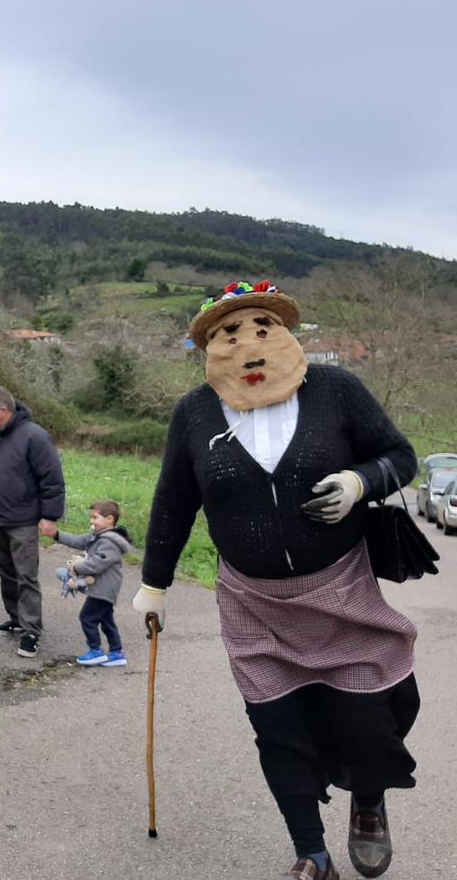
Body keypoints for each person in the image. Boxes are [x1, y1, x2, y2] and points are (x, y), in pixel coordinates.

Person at [131, 282, 419, 880]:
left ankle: (368, 800)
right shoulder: (195, 413)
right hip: (253, 602)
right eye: (227, 334)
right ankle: (311, 854)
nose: (247, 344)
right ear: (208, 347)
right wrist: (155, 583)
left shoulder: (336, 391)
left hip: (341, 591)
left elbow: (400, 454)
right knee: (277, 727)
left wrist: (362, 482)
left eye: (261, 328)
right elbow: (174, 501)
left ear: (285, 334)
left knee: (373, 717)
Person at [0, 385, 66, 658]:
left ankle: (32, 630)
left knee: (26, 576)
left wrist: (50, 516)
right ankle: (16, 619)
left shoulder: (34, 437)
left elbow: (52, 479)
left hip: (22, 520)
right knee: (6, 572)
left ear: (3, 410)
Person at [47, 500, 132, 667]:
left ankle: (96, 650)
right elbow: (78, 541)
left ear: (109, 519)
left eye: (95, 517)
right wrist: (56, 534)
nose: (92, 521)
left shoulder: (109, 542)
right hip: (101, 588)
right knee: (106, 619)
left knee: (87, 617)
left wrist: (76, 568)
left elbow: (97, 564)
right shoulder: (97, 536)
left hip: (104, 588)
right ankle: (116, 652)